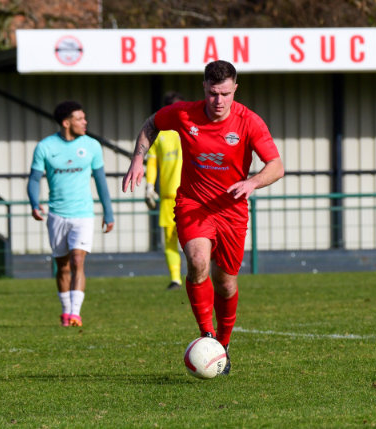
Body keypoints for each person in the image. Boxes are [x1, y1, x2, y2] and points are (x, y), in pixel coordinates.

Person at [123, 60, 284, 375]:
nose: (219, 101)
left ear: (235, 89)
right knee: (197, 262)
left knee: (226, 282)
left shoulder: (249, 122)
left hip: (231, 210)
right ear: (204, 88)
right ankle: (206, 334)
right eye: (213, 93)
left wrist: (252, 182)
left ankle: (223, 344)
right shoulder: (184, 113)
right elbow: (152, 123)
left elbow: (276, 166)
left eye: (225, 93)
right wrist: (138, 159)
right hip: (192, 204)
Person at [28, 100, 114, 327]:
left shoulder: (92, 146)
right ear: (66, 123)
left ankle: (76, 313)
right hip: (57, 214)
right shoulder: (45, 147)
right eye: (80, 119)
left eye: (84, 118)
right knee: (63, 266)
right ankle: (66, 312)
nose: (85, 122)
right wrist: (34, 204)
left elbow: (101, 181)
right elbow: (34, 179)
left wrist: (108, 212)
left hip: (83, 214)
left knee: (78, 260)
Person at [145, 91, 185, 291]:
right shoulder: (159, 135)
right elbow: (152, 163)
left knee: (196, 240)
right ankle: (176, 279)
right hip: (169, 198)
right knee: (170, 241)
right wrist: (149, 186)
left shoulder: (192, 131)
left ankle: (200, 275)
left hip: (192, 196)